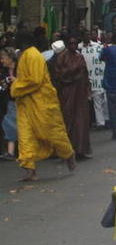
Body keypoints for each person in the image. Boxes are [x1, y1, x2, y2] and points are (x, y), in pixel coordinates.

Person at [10, 30, 75, 181]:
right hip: (25, 103)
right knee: (25, 136)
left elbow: (35, 80)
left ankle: (67, 153)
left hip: (41, 102)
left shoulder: (33, 55)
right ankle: (29, 170)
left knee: (51, 132)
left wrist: (15, 87)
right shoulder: (24, 55)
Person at [54, 35, 92, 158]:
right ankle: (66, 150)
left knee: (81, 121)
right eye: (71, 43)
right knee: (68, 120)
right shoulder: (62, 57)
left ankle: (80, 149)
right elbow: (60, 75)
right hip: (67, 93)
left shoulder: (79, 57)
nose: (73, 46)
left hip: (80, 93)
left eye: (75, 43)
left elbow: (85, 74)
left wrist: (87, 89)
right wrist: (72, 72)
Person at [79, 29, 108, 128]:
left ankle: (102, 122)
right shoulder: (79, 48)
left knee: (99, 101)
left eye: (89, 35)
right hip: (86, 79)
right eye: (86, 35)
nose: (88, 37)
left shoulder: (97, 47)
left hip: (97, 78)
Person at [0, 48, 18, 160]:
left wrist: (16, 81)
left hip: (22, 100)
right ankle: (11, 152)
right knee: (9, 124)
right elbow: (2, 87)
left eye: (3, 58)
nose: (1, 61)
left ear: (10, 58)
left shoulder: (20, 68)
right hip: (11, 101)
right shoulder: (4, 71)